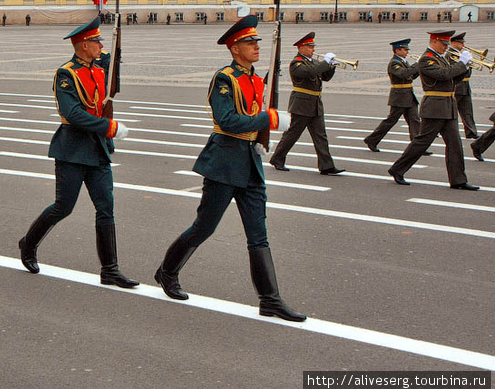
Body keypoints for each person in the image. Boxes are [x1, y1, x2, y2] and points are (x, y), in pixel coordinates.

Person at [153, 16, 304, 320]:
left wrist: (260, 138)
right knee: (204, 227)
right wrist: (268, 120)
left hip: (249, 163)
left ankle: (270, 299)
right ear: (236, 49)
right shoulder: (225, 79)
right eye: (250, 43)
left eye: (257, 42)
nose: (256, 47)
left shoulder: (255, 78)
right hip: (224, 162)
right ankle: (167, 272)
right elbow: (228, 121)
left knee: (258, 234)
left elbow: (253, 112)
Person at [18, 18, 137, 288]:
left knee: (106, 208)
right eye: (96, 42)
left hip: (98, 150)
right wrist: (109, 126)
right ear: (83, 45)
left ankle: (110, 269)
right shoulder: (66, 74)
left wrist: (117, 29)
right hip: (72, 148)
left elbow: (113, 57)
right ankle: (29, 243)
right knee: (64, 207)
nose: (100, 46)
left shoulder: (99, 67)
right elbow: (73, 113)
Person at [388, 30, 478, 190]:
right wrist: (461, 64)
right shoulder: (426, 60)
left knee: (455, 144)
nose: (446, 47)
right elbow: (444, 75)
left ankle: (458, 180)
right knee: (422, 142)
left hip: (448, 105)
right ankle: (397, 169)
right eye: (444, 44)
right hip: (435, 107)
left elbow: (453, 78)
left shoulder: (439, 58)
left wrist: (465, 66)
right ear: (435, 41)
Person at [269, 32, 345, 175]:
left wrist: (331, 66)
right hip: (301, 104)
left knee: (320, 136)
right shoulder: (297, 63)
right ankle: (277, 158)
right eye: (310, 47)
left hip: (315, 104)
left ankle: (326, 166)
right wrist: (325, 63)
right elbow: (311, 72)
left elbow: (325, 77)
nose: (313, 49)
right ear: (301, 47)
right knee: (292, 134)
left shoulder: (312, 62)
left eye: (313, 46)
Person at [363, 39, 421, 152]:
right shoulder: (394, 63)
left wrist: (418, 70)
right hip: (399, 97)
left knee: (415, 121)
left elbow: (410, 76)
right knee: (390, 121)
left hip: (409, 95)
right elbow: (404, 74)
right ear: (397, 50)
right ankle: (372, 139)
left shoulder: (403, 61)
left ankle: (417, 146)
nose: (407, 52)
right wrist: (417, 65)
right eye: (405, 49)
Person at [449, 33, 478, 139]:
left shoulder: (462, 54)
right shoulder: (450, 55)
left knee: (467, 110)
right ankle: (443, 130)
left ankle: (471, 131)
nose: (462, 45)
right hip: (457, 84)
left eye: (462, 43)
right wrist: (464, 64)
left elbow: (467, 70)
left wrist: (469, 62)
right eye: (460, 43)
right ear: (453, 43)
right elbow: (455, 70)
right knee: (452, 110)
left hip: (465, 84)